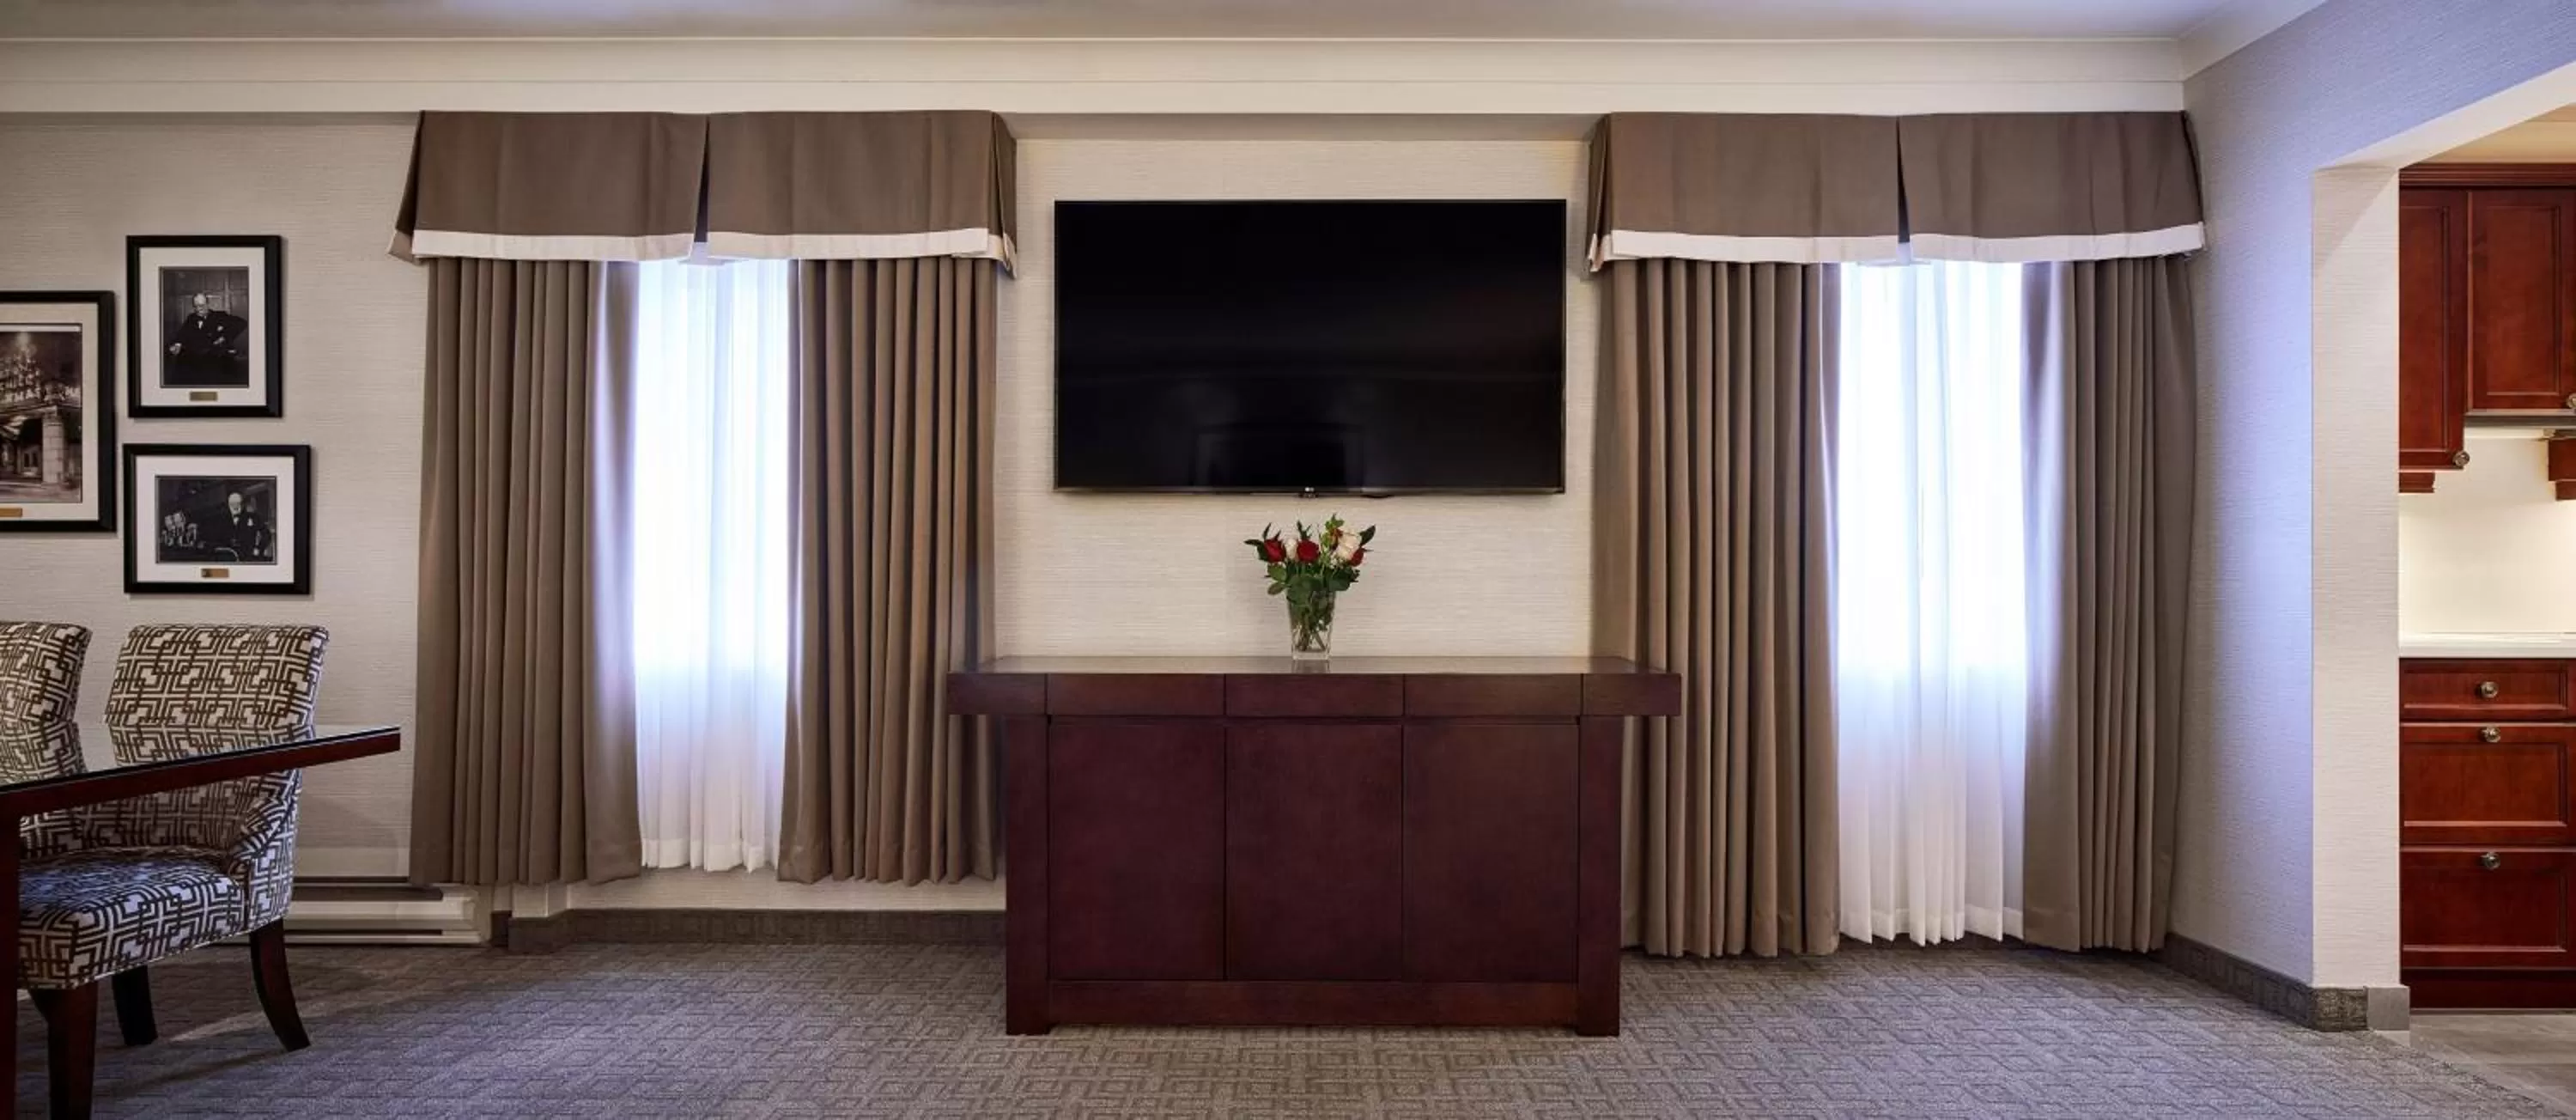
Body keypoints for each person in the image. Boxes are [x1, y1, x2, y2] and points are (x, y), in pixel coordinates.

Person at [166, 291, 248, 387]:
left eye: (201, 305)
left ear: (207, 304)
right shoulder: (191, 317)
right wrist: (177, 344)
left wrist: (224, 337)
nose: (198, 309)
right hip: (194, 360)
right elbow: (182, 334)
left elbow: (241, 323)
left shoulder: (220, 316)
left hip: (213, 359)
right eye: (196, 306)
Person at [206, 490, 270, 561]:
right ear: (228, 505)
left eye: (238, 503)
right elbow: (213, 538)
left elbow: (266, 535)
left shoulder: (253, 517)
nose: (235, 507)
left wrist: (259, 549)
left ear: (242, 504)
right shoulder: (221, 520)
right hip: (228, 558)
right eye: (232, 504)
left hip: (248, 559)